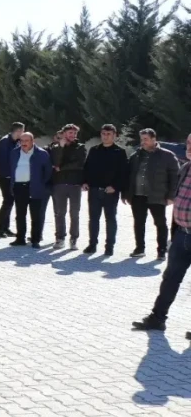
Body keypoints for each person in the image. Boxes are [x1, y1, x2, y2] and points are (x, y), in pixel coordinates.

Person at [132, 133, 191, 332]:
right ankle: (157, 319)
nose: (189, 147)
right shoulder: (185, 168)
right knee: (170, 278)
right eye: (188, 143)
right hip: (182, 235)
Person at [124, 128, 181, 259]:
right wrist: (126, 193)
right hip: (138, 195)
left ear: (154, 139)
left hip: (157, 196)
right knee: (138, 223)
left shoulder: (167, 156)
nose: (142, 142)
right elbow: (129, 176)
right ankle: (139, 249)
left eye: (146, 139)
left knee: (160, 223)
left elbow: (175, 177)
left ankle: (161, 251)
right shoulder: (136, 156)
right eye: (141, 139)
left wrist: (172, 196)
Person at [83, 123, 128, 256]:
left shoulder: (120, 152)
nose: (105, 136)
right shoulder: (94, 150)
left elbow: (124, 173)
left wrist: (115, 187)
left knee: (110, 219)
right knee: (93, 219)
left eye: (109, 134)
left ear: (114, 135)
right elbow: (87, 168)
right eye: (103, 134)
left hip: (111, 192)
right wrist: (85, 182)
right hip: (94, 190)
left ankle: (109, 246)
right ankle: (92, 244)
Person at [9, 132, 53, 248]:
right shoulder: (14, 152)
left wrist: (40, 183)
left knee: (36, 215)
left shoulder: (42, 154)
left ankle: (35, 240)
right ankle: (20, 238)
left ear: (32, 141)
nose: (23, 143)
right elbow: (12, 168)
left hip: (35, 187)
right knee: (20, 214)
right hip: (19, 187)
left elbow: (48, 171)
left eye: (26, 141)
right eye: (21, 141)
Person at [49, 123, 88, 250]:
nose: (73, 135)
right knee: (60, 212)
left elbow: (79, 164)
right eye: (70, 133)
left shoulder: (80, 147)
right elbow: (55, 162)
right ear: (64, 133)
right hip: (59, 183)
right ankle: (60, 238)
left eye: (75, 133)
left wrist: (62, 167)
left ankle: (74, 239)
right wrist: (60, 147)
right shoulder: (55, 147)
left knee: (74, 213)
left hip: (75, 184)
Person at [0, 122, 25, 238]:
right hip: (5, 176)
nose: (23, 133)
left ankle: (5, 228)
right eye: (22, 131)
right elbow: (4, 160)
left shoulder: (16, 142)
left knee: (10, 202)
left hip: (13, 176)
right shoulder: (4, 142)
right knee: (7, 201)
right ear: (17, 131)